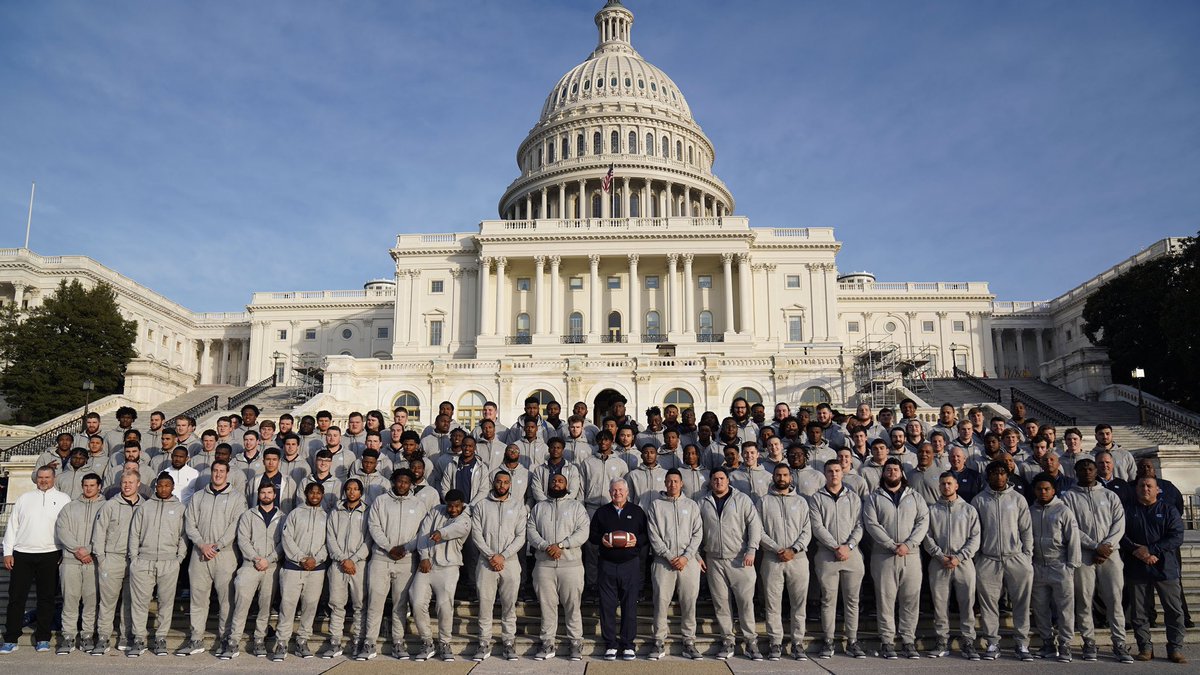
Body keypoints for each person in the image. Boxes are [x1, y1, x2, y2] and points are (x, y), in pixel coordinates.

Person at [1062, 458, 1133, 662]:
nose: (1087, 471)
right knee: (1084, 599)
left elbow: (1119, 523)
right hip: (1083, 554)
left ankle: (1119, 642)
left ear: (1096, 471)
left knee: (1114, 599)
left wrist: (1106, 546)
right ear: (1075, 472)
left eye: (1090, 468)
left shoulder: (1109, 495)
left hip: (1110, 553)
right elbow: (1071, 526)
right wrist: (1094, 546)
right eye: (1082, 469)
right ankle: (1089, 641)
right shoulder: (1068, 497)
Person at [862, 458, 929, 660]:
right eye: (888, 470)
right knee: (885, 600)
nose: (892, 472)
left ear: (902, 473)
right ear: (883, 473)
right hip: (884, 556)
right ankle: (887, 641)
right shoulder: (874, 498)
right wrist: (892, 545)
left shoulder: (914, 497)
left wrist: (908, 544)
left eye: (896, 469)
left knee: (910, 600)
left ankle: (908, 641)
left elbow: (923, 522)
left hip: (911, 555)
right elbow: (871, 524)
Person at [360, 469, 429, 661]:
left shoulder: (418, 504)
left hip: (406, 560)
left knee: (400, 603)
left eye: (406, 482)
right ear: (393, 482)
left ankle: (398, 642)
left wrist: (406, 548)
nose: (402, 485)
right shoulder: (381, 501)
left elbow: (422, 532)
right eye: (399, 481)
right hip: (381, 558)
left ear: (411, 484)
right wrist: (389, 547)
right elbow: (374, 526)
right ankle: (369, 642)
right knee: (375, 602)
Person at [1, 466, 70, 655]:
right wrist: (7, 552)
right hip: (22, 553)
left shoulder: (64, 499)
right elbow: (12, 526)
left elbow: (67, 527)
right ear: (36, 478)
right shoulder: (24, 498)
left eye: (47, 477)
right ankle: (11, 639)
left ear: (54, 478)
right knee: (16, 599)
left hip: (51, 553)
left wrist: (64, 552)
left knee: (46, 599)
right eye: (40, 477)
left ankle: (43, 638)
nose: (43, 480)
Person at [179, 459, 243, 656]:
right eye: (215, 470)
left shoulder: (237, 498)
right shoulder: (198, 496)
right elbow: (190, 523)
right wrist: (201, 544)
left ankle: (225, 639)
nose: (218, 474)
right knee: (198, 599)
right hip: (200, 554)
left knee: (226, 600)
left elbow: (236, 525)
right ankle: (196, 638)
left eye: (222, 471)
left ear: (227, 473)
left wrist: (218, 545)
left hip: (225, 555)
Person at [698, 467, 763, 661]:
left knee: (745, 602)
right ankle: (728, 641)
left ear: (728, 480)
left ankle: (751, 641)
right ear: (710, 481)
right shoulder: (702, 502)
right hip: (714, 559)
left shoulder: (742, 499)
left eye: (721, 478)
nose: (718, 482)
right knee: (721, 604)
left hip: (740, 559)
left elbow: (754, 525)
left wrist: (752, 549)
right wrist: (697, 554)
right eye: (715, 479)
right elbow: (695, 529)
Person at [973, 460, 1035, 661]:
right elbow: (975, 531)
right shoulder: (979, 500)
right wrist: (978, 558)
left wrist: (1027, 556)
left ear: (1007, 476)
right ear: (988, 476)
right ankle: (992, 642)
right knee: (989, 604)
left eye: (1002, 473)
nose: (998, 476)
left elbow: (1026, 529)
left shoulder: (1018, 499)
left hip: (1015, 558)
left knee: (1021, 603)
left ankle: (1022, 643)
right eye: (994, 473)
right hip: (988, 559)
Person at [1123, 475, 1187, 663]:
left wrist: (1151, 550)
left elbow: (1176, 536)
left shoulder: (1168, 510)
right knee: (1139, 612)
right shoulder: (1128, 510)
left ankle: (1175, 648)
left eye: (1149, 486)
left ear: (1157, 489)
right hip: (1137, 567)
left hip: (1165, 567)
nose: (1145, 489)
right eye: (1142, 486)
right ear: (1136, 489)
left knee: (1174, 610)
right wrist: (1138, 552)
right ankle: (1145, 647)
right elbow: (1121, 535)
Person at [529, 473, 591, 660]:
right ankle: (547, 643)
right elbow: (531, 530)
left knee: (573, 605)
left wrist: (562, 545)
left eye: (560, 481)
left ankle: (575, 642)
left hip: (571, 565)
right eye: (553, 481)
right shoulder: (539, 507)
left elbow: (583, 531)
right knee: (547, 606)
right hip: (544, 565)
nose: (556, 483)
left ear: (566, 485)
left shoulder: (576, 507)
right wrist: (545, 546)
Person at [644, 469, 704, 661]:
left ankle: (689, 641)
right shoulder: (656, 505)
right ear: (665, 483)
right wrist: (669, 556)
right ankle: (658, 640)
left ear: (681, 483)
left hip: (688, 563)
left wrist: (686, 557)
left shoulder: (691, 505)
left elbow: (697, 533)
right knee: (661, 602)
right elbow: (653, 534)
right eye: (669, 481)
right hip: (664, 562)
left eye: (676, 481)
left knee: (689, 603)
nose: (672, 484)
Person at [125, 474, 187, 658]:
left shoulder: (180, 509)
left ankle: (160, 638)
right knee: (140, 602)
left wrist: (179, 558)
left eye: (167, 485)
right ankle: (139, 638)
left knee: (166, 602)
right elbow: (134, 533)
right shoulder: (145, 507)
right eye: (160, 485)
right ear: (155, 487)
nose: (163, 489)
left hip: (169, 562)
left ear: (173, 487)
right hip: (144, 561)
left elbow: (183, 536)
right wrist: (134, 558)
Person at [221, 482, 283, 660]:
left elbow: (283, 543)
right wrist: (256, 558)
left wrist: (268, 560)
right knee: (241, 605)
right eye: (263, 492)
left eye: (269, 492)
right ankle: (233, 641)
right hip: (250, 565)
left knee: (265, 606)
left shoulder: (283, 517)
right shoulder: (248, 515)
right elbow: (243, 540)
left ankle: (259, 640)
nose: (266, 495)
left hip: (271, 567)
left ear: (274, 495)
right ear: (258, 494)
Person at [471, 470, 528, 662]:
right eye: (499, 481)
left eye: (505, 482)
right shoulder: (481, 505)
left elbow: (521, 536)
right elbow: (476, 534)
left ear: (510, 484)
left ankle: (509, 642)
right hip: (486, 562)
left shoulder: (518, 506)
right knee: (485, 604)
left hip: (509, 562)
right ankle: (483, 642)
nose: (502, 485)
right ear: (493, 483)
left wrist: (503, 556)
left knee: (509, 605)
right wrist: (491, 555)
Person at [589, 477, 649, 661]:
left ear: (627, 492)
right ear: (610, 493)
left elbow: (646, 535)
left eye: (621, 490)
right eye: (614, 490)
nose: (618, 493)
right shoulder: (602, 512)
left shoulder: (637, 511)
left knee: (629, 605)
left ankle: (628, 644)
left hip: (630, 564)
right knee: (607, 605)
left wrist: (636, 541)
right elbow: (592, 535)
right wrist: (602, 540)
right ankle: (610, 644)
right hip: (607, 564)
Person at [757, 463, 812, 661]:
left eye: (785, 475)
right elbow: (758, 530)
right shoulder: (763, 501)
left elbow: (807, 530)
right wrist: (777, 549)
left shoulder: (801, 502)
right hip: (772, 559)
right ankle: (775, 642)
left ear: (791, 478)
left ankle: (797, 643)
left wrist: (794, 549)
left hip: (798, 558)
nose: (782, 478)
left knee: (799, 603)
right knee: (773, 604)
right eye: (778, 475)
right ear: (773, 477)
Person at [923, 472, 980, 659]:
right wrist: (939, 556)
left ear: (956, 486)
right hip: (939, 563)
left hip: (963, 563)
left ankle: (968, 641)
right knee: (940, 604)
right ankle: (941, 640)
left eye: (949, 483)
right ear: (939, 487)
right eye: (942, 484)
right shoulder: (932, 510)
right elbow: (927, 537)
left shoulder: (969, 509)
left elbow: (975, 537)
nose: (946, 487)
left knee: (967, 603)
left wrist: (960, 557)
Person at [410, 489, 471, 662]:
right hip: (427, 565)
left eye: (456, 506)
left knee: (444, 606)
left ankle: (445, 643)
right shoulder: (436, 510)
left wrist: (441, 533)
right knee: (417, 602)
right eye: (450, 506)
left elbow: (457, 529)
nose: (453, 509)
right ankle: (427, 641)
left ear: (462, 505)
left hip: (448, 567)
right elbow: (423, 534)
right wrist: (424, 557)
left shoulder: (465, 518)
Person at [271, 483, 330, 661]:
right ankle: (281, 642)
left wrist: (316, 559)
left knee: (310, 606)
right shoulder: (295, 514)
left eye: (318, 493)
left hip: (316, 569)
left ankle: (302, 640)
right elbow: (287, 538)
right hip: (293, 568)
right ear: (305, 494)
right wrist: (301, 558)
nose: (315, 496)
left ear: (322, 495)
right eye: (311, 492)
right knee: (288, 605)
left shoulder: (327, 516)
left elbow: (329, 541)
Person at [1028, 473, 1081, 662]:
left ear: (1053, 490)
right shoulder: (1030, 511)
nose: (1043, 492)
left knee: (1065, 608)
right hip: (1038, 566)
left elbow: (1073, 539)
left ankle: (1065, 644)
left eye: (1047, 489)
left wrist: (1071, 566)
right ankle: (1048, 643)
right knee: (1040, 608)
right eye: (1039, 489)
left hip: (1060, 565)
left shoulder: (1063, 511)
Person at [54, 472, 105, 655]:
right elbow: (62, 529)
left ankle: (87, 635)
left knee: (91, 601)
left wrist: (89, 550)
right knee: (70, 600)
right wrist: (77, 549)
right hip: (70, 561)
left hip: (93, 561)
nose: (88, 489)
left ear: (99, 487)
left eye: (92, 485)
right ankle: (68, 636)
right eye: (85, 485)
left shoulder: (106, 507)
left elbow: (107, 532)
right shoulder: (69, 507)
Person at [324, 478, 370, 659]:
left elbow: (369, 539)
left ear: (361, 492)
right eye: (349, 489)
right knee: (337, 604)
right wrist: (343, 559)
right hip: (338, 564)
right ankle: (335, 641)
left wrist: (354, 559)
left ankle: (358, 640)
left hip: (359, 564)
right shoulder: (335, 511)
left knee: (360, 604)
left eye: (355, 489)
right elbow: (330, 537)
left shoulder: (367, 512)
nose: (352, 492)